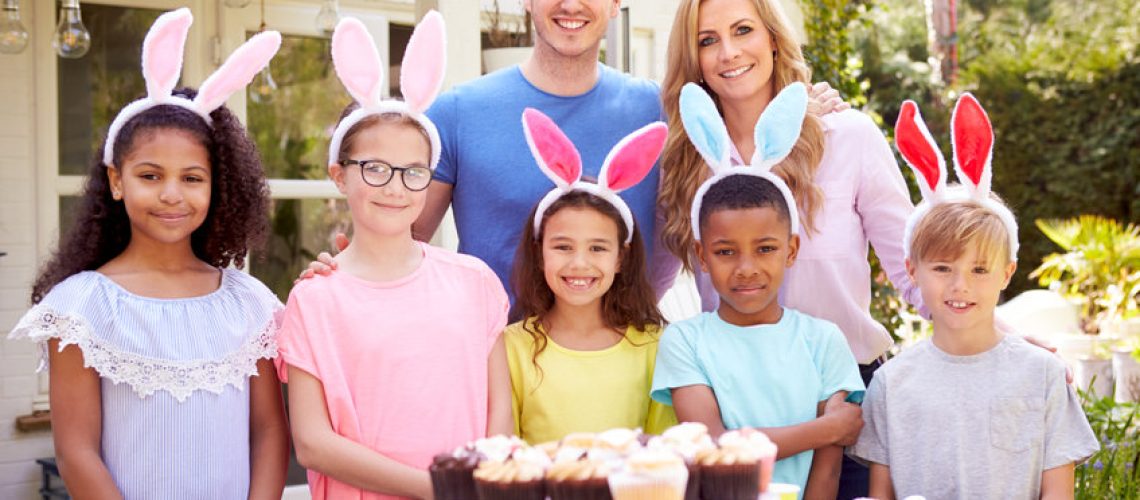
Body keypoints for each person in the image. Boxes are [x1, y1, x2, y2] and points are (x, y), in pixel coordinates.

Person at [8, 9, 288, 499]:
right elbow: (77, 452)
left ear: (217, 186)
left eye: (193, 178)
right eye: (150, 175)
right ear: (117, 180)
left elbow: (268, 432)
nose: (172, 195)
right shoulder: (80, 310)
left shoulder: (250, 304)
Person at [274, 14, 511, 500]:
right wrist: (438, 490)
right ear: (340, 175)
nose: (395, 188)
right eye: (375, 168)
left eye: (413, 171)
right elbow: (313, 444)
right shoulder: (315, 299)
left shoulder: (474, 282)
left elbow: (499, 415)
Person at [850, 96, 1098, 499]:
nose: (960, 286)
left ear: (1007, 273)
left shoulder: (1042, 375)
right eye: (943, 268)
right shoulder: (892, 383)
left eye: (979, 270)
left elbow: (1058, 492)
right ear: (912, 271)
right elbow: (882, 495)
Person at [651, 83, 865, 498]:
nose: (746, 268)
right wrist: (823, 429)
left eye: (765, 249)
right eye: (726, 251)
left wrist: (827, 435)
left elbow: (827, 472)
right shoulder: (685, 342)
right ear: (701, 255)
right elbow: (712, 447)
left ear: (791, 250)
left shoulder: (823, 341)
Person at [505, 108, 676, 444]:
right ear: (539, 253)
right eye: (563, 247)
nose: (579, 264)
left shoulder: (654, 347)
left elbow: (665, 454)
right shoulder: (512, 346)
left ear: (621, 259)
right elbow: (506, 455)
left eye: (598, 248)